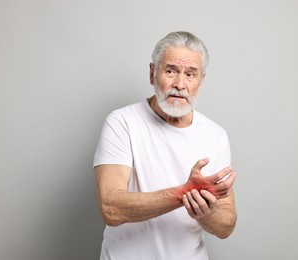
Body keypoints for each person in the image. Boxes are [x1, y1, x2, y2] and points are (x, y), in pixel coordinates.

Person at [93, 31, 237, 260]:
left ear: (201, 80)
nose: (180, 84)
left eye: (190, 74)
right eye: (171, 71)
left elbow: (226, 225)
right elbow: (111, 207)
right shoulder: (122, 122)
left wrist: (206, 213)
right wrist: (184, 193)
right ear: (152, 73)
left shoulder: (215, 135)